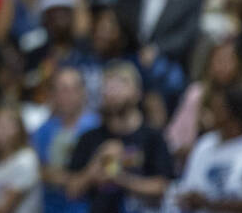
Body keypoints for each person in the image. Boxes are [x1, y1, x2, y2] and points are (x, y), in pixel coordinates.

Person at [66, 61, 173, 213]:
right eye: (108, 85)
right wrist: (98, 161)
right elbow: (72, 190)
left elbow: (162, 187)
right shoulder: (89, 138)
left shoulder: (152, 137)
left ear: (137, 92)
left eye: (122, 83)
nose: (113, 90)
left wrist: (118, 177)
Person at [173, 87, 242, 212]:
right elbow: (189, 188)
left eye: (215, 109)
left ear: (233, 115)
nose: (207, 114)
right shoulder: (205, 144)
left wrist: (208, 203)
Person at [165, 41, 242, 161]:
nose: (222, 65)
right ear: (209, 64)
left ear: (239, 63)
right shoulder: (196, 94)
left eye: (227, 60)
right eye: (217, 60)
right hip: (201, 162)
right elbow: (173, 140)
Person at [33, 66, 100, 213]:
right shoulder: (43, 131)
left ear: (83, 92)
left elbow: (101, 173)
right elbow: (39, 170)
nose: (67, 96)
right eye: (61, 90)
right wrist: (75, 180)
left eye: (72, 89)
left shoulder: (98, 128)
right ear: (53, 95)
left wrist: (61, 177)